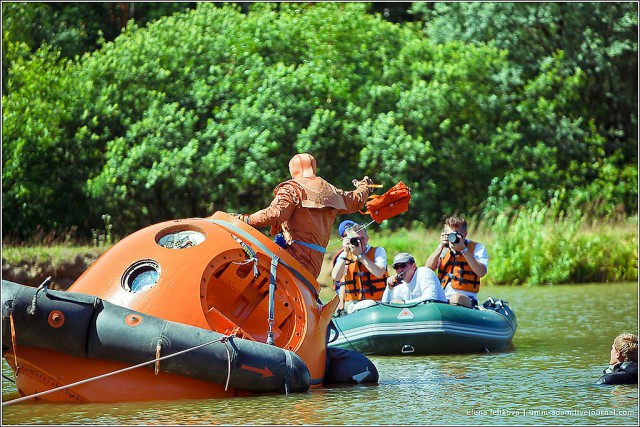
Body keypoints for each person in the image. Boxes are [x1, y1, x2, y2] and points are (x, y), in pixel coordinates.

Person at [232, 153, 373, 280]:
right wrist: (364, 187)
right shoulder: (331, 191)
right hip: (315, 264)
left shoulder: (292, 188)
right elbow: (356, 200)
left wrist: (244, 219)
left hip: (294, 259)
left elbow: (275, 214)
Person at [424, 216, 488, 308]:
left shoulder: (477, 248)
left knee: (455, 298)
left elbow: (481, 272)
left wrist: (464, 250)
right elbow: (427, 270)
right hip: (442, 298)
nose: (452, 238)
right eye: (449, 234)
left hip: (466, 299)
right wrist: (440, 247)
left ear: (465, 234)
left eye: (455, 234)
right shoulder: (443, 249)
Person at [331, 222, 389, 315]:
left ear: (367, 238)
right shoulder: (344, 255)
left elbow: (379, 273)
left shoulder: (378, 251)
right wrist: (345, 253)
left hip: (378, 302)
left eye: (362, 238)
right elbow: (336, 277)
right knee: (367, 304)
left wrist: (360, 255)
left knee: (370, 303)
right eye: (356, 239)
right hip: (353, 305)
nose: (360, 242)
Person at [381, 253, 447, 304]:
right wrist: (389, 288)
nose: (400, 269)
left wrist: (404, 303)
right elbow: (385, 305)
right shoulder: (399, 283)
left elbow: (431, 298)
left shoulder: (424, 272)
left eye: (403, 265)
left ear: (414, 266)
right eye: (396, 267)